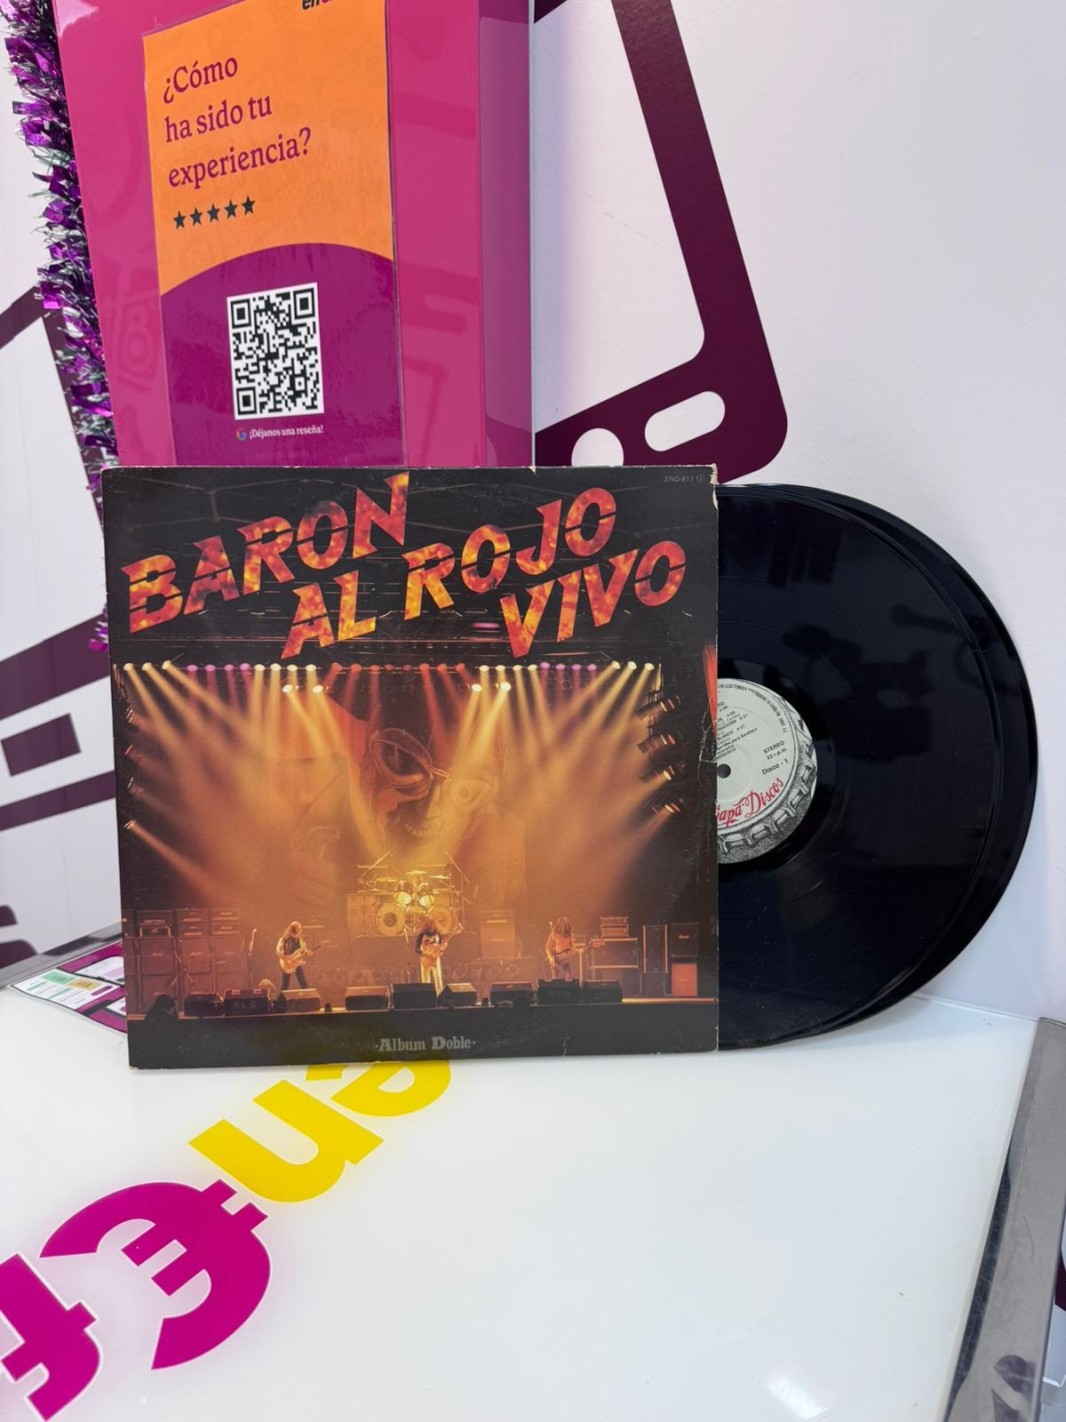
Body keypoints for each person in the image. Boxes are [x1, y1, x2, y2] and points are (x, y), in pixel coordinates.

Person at [414, 915, 447, 994]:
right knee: (425, 979)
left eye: (432, 926)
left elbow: (440, 946)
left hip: (435, 958)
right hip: (425, 959)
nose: (431, 928)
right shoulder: (421, 935)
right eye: (430, 926)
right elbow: (416, 949)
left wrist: (442, 949)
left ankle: (439, 995)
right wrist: (426, 954)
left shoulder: (438, 935)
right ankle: (426, 995)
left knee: (438, 978)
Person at [276, 919, 310, 992]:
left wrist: (307, 953)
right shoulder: (284, 938)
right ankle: (281, 999)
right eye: (298, 928)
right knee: (285, 985)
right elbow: (278, 951)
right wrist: (286, 960)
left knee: (303, 983)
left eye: (300, 928)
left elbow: (304, 951)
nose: (300, 930)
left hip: (297, 962)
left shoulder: (302, 938)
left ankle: (308, 998)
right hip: (286, 963)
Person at [545, 916, 576, 981]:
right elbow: (547, 947)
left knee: (568, 974)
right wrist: (550, 958)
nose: (562, 928)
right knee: (555, 974)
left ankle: (568, 984)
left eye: (564, 927)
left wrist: (578, 951)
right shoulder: (553, 934)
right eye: (560, 926)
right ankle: (554, 984)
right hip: (555, 956)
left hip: (565, 957)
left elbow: (573, 949)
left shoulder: (570, 935)